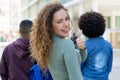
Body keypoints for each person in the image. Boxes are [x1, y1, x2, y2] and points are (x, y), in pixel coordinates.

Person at [30, 2, 87, 80]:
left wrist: (82, 49)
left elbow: (80, 59)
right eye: (59, 22)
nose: (66, 24)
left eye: (67, 19)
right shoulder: (66, 44)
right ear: (49, 26)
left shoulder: (48, 45)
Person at [77, 11, 113, 80]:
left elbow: (80, 66)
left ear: (84, 29)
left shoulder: (84, 46)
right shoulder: (108, 45)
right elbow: (109, 67)